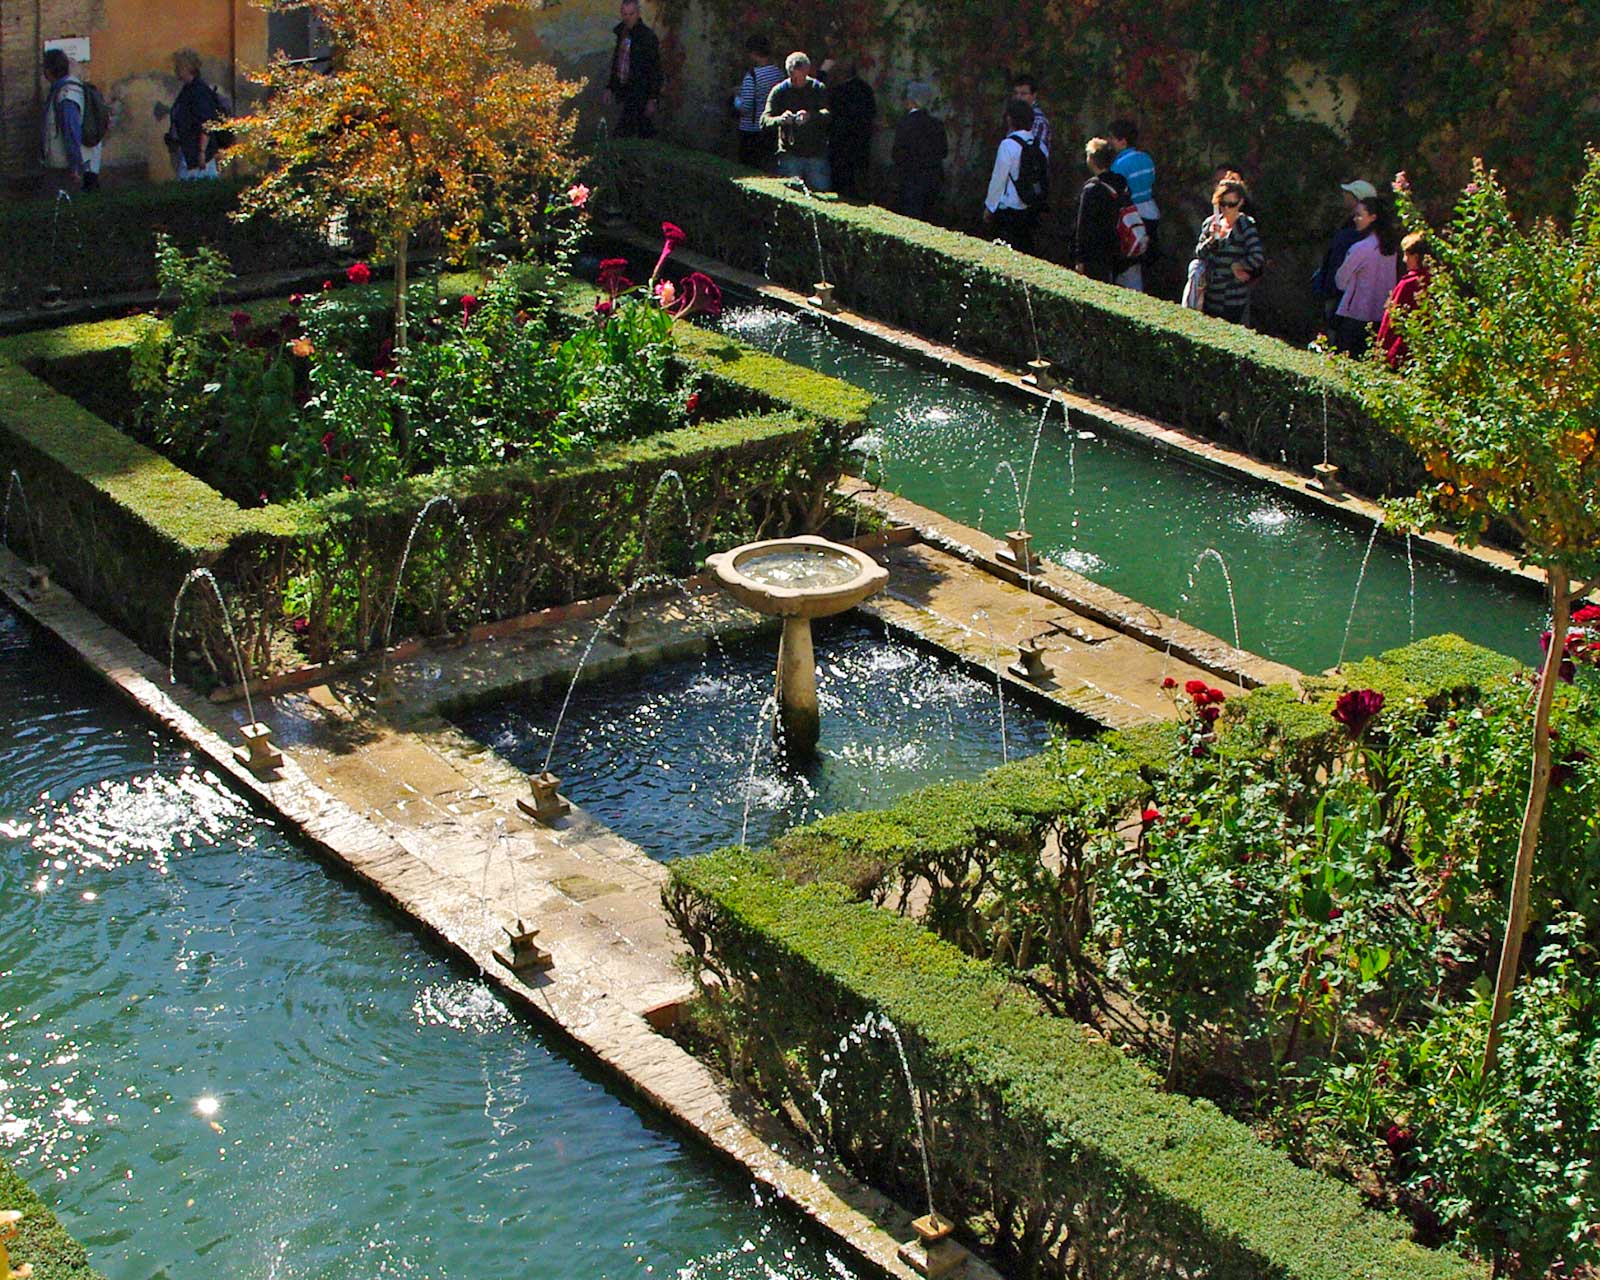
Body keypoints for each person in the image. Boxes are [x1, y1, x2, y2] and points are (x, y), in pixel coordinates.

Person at [1332, 194, 1401, 355]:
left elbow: (1340, 280)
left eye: (1359, 215)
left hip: (1354, 315)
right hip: (1380, 316)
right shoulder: (1390, 249)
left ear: (1373, 218)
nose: (1355, 219)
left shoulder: (1361, 248)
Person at [1193, 177, 1264, 325]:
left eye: (1231, 204)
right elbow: (1199, 254)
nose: (1226, 209)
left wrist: (1238, 265)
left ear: (1240, 203)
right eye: (1222, 204)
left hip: (1233, 298)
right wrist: (1211, 239)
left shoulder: (1245, 226)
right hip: (1210, 295)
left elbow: (1257, 257)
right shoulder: (1211, 223)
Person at [982, 97, 1047, 253]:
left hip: (1008, 206)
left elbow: (999, 178)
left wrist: (990, 206)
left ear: (1010, 119)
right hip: (1030, 205)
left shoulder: (1008, 145)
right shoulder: (1040, 145)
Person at [1313, 179, 1376, 331]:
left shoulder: (1355, 234)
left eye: (1349, 194)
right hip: (1340, 293)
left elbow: (1339, 263)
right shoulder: (1355, 228)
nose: (1344, 196)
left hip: (1342, 296)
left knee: (1335, 333)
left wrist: (1329, 288)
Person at [761, 52, 831, 190]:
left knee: (821, 191)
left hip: (816, 153)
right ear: (789, 73)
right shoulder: (779, 91)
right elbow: (764, 120)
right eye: (794, 78)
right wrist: (781, 119)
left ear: (807, 71)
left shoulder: (818, 89)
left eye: (802, 77)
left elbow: (828, 115)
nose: (798, 82)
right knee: (791, 193)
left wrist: (810, 116)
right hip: (790, 154)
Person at [40, 48, 102, 193]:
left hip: (73, 167)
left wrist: (75, 167)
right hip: (84, 161)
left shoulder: (66, 95)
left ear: (48, 72)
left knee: (69, 208)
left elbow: (71, 131)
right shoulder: (71, 87)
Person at [1108, 119, 1157, 290]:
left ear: (1122, 141)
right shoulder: (1147, 158)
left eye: (1113, 138)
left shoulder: (1119, 165)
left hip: (1133, 216)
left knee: (1129, 263)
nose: (1111, 142)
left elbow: (1118, 192)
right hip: (1151, 211)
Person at [1071, 137, 1127, 282]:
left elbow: (1083, 226)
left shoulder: (1092, 189)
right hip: (1115, 245)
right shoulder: (1120, 182)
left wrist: (1079, 258)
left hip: (1094, 250)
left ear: (1092, 160)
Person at [604, 0, 662, 139]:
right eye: (625, 14)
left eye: (631, 14)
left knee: (626, 130)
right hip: (627, 89)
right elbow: (618, 63)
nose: (628, 18)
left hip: (640, 90)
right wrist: (610, 87)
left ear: (638, 13)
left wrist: (653, 98)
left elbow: (655, 69)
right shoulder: (622, 34)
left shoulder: (647, 37)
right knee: (640, 128)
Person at [891, 81, 947, 222]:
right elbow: (944, 152)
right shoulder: (937, 125)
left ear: (911, 101)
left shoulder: (905, 124)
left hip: (910, 181)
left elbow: (897, 154)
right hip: (933, 181)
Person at [167, 49, 224, 181]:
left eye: (178, 66)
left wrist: (202, 153)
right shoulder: (187, 89)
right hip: (188, 151)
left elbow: (206, 122)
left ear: (187, 67)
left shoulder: (198, 91)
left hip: (198, 155)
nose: (175, 70)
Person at [1376, 231, 1431, 367]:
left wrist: (1380, 350)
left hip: (1400, 350)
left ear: (1416, 257)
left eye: (1407, 255)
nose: (1404, 259)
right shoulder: (1436, 282)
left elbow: (1390, 320)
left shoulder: (1408, 284)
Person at [823, 58, 875, 199]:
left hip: (841, 141)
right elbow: (872, 114)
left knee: (841, 177)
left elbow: (829, 113)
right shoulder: (866, 89)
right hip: (862, 141)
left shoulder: (838, 91)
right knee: (858, 177)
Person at [733, 36, 784, 169]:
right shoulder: (778, 73)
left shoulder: (752, 76)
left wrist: (736, 97)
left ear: (753, 54)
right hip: (770, 129)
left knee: (747, 167)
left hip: (751, 129)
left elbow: (745, 107)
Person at [1010, 74, 1050, 150]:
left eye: (1023, 94)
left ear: (1034, 95)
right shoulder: (1013, 116)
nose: (1018, 98)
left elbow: (1034, 154)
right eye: (1016, 93)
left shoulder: (1038, 120)